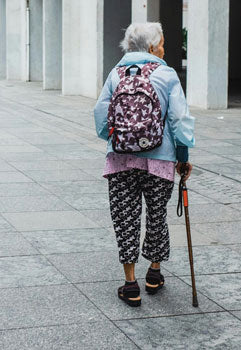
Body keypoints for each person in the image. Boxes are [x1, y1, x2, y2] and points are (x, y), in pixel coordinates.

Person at [93, 22, 195, 307]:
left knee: (125, 219)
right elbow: (179, 121)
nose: (163, 47)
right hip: (160, 161)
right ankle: (154, 273)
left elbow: (100, 116)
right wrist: (183, 157)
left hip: (120, 161)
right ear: (152, 47)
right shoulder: (167, 74)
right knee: (156, 216)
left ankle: (130, 284)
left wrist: (116, 139)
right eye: (161, 42)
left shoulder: (116, 74)